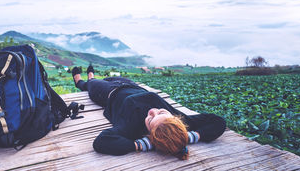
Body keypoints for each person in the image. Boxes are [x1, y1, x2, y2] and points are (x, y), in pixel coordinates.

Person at [72, 65, 226, 159]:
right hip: (131, 85)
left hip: (108, 94)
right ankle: (93, 78)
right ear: (175, 118)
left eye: (151, 119)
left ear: (149, 135)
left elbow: (101, 142)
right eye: (161, 113)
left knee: (91, 84)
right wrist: (187, 137)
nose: (153, 112)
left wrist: (141, 145)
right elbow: (218, 122)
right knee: (110, 77)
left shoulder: (130, 128)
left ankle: (84, 80)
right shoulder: (181, 121)